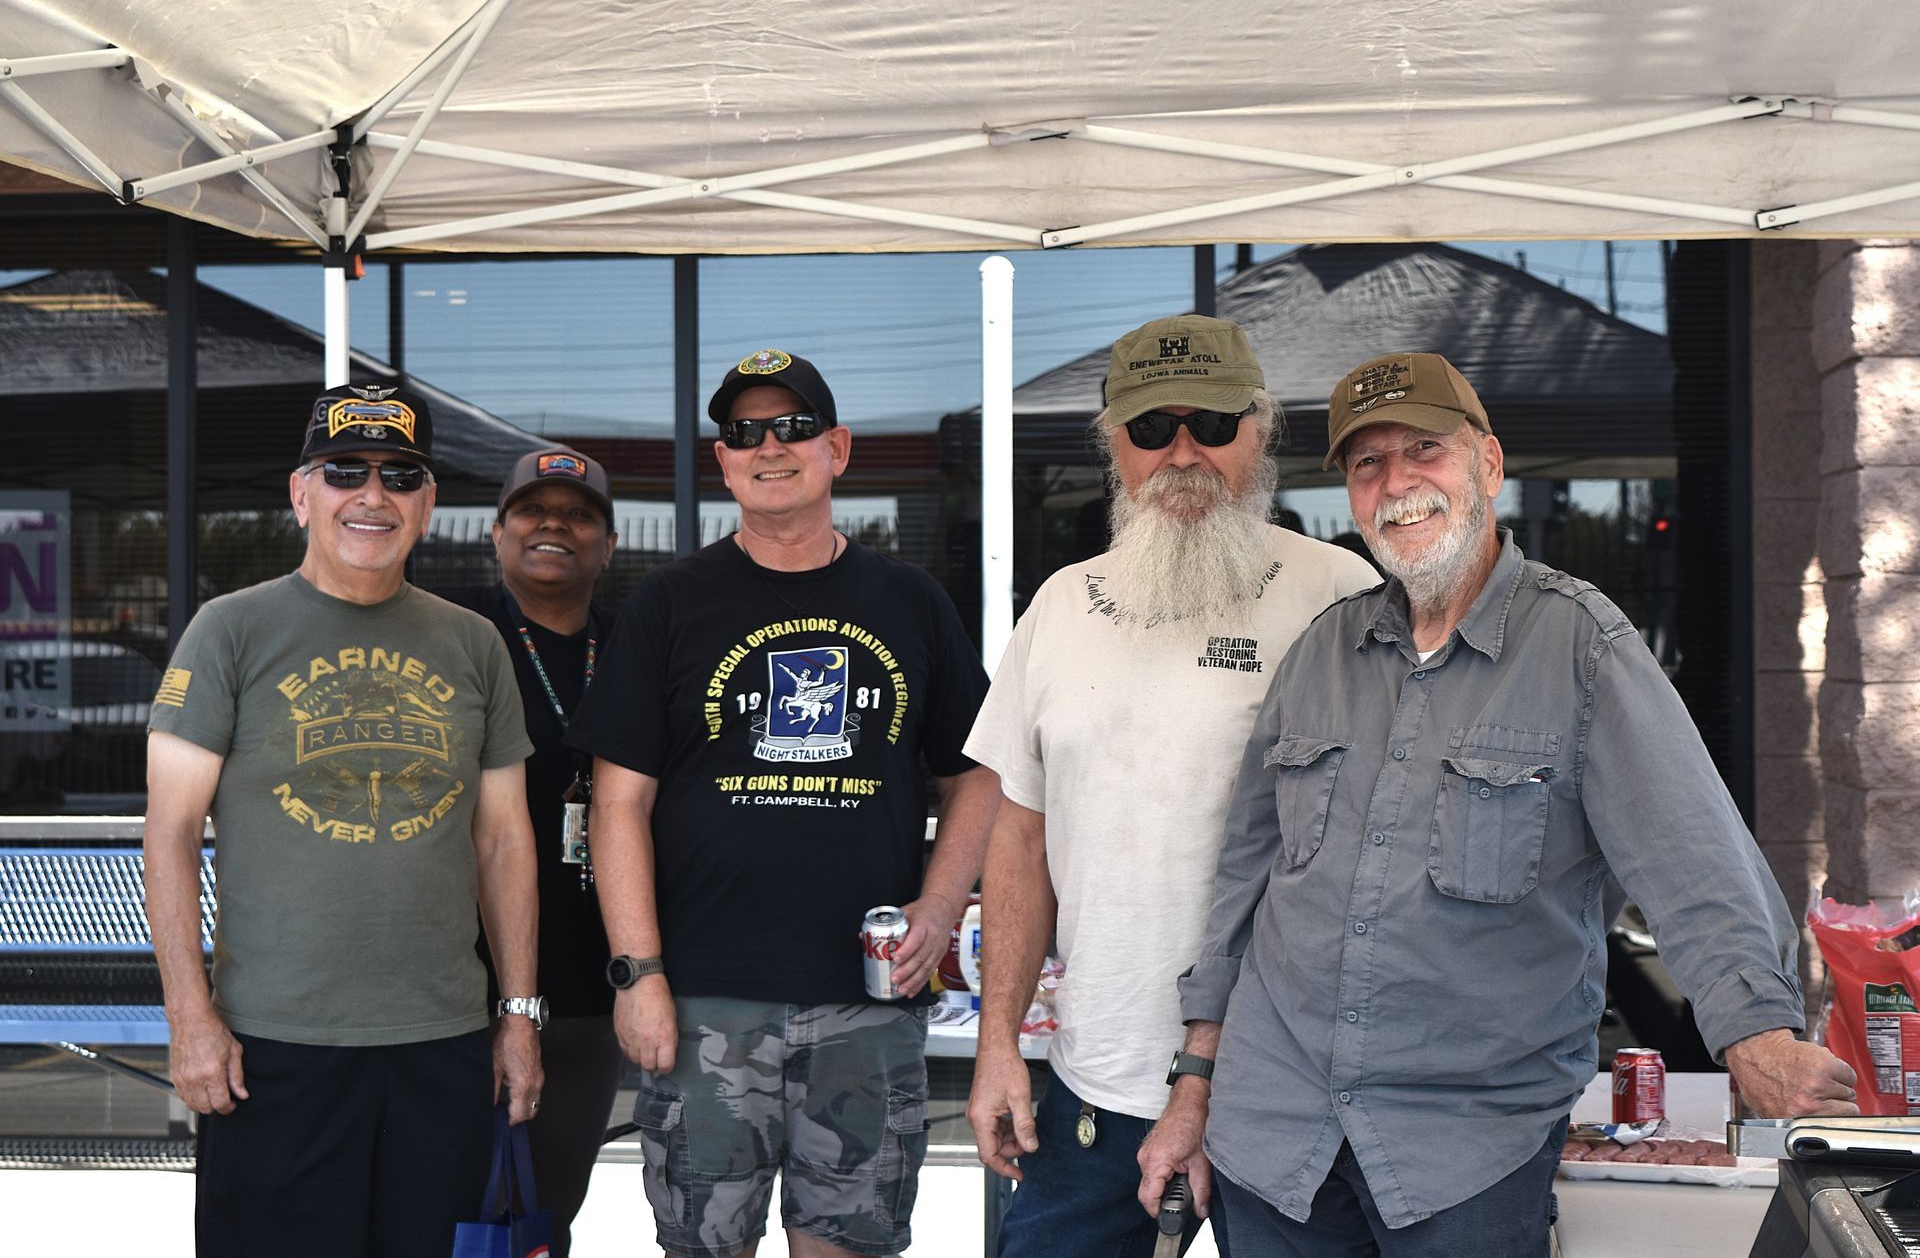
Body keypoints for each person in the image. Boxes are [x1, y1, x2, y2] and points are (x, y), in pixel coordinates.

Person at [1151, 351, 1858, 1256]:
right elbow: (1241, 891)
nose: (1397, 484)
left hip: (1464, 1157)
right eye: (1368, 464)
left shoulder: (1582, 646)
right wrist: (1195, 1084)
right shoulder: (1320, 653)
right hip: (1274, 1139)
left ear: (1487, 464)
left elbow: (1692, 858)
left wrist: (1756, 1035)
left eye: (1423, 451)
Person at [567, 349, 1000, 1258]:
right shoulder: (669, 603)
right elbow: (617, 807)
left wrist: (938, 903)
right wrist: (637, 974)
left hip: (868, 1005)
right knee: (701, 1247)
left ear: (837, 448)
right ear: (722, 460)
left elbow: (977, 777)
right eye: (744, 432)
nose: (770, 446)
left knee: (848, 1247)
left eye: (794, 427)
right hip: (703, 1003)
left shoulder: (909, 601)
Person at [962, 314, 1379, 1258]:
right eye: (1152, 430)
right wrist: (997, 1050)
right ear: (1114, 444)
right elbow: (1019, 841)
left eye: (1213, 425)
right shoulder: (1062, 604)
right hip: (1096, 1084)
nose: (1182, 453)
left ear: (1260, 432)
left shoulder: (1339, 595)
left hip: (1287, 1092)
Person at [143, 383, 545, 1258]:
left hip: (442, 1042)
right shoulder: (230, 632)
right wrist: (190, 1017)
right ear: (301, 493)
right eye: (344, 471)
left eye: (401, 475)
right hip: (273, 1047)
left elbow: (504, 839)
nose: (373, 495)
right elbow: (169, 834)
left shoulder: (475, 643)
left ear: (429, 505)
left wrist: (517, 1013)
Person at [440, 446, 621, 1257]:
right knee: (449, 1208)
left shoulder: (635, 645)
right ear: (497, 532)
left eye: (579, 514)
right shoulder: (451, 630)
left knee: (545, 1219)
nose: (555, 525)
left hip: (593, 988)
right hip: (459, 989)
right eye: (533, 511)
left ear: (608, 545)